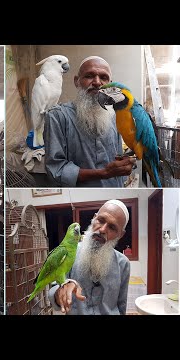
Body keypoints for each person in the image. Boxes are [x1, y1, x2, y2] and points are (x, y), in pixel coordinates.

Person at [44, 56, 136, 187]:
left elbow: (117, 155)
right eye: (89, 76)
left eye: (104, 78)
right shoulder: (57, 117)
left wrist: (127, 163)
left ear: (111, 83)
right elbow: (56, 171)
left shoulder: (115, 115)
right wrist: (103, 173)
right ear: (77, 81)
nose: (97, 82)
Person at [48, 199, 131, 315]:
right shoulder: (69, 253)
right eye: (101, 221)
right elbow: (54, 288)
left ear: (120, 234)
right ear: (94, 219)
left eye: (112, 227)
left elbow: (122, 305)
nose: (102, 229)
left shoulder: (123, 263)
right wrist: (60, 292)